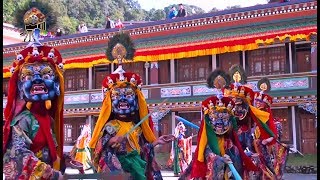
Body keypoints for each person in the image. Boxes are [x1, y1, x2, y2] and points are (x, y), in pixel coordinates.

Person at [88, 32, 174, 179]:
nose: (122, 100)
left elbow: (142, 151)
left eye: (128, 95)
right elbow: (99, 149)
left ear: (137, 101)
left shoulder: (138, 127)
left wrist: (155, 142)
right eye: (116, 96)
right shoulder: (110, 126)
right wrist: (112, 140)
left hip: (137, 169)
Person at [180, 69, 259, 179]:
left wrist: (243, 156)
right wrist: (220, 159)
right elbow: (208, 155)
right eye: (215, 119)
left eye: (224, 118)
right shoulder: (208, 143)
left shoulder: (232, 143)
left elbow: (239, 156)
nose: (220, 123)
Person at [3, 44, 65, 179]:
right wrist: (48, 172)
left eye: (46, 74)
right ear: (20, 87)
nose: (37, 79)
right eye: (28, 76)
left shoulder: (50, 120)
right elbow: (18, 153)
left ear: (56, 85)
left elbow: (50, 151)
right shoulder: (23, 120)